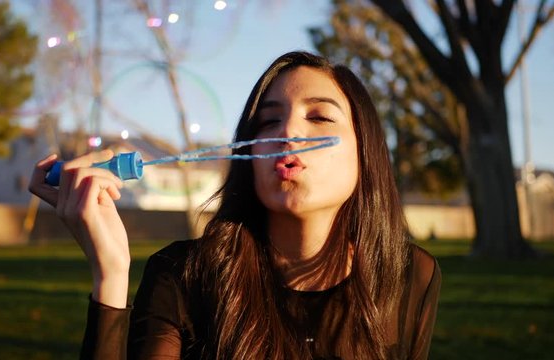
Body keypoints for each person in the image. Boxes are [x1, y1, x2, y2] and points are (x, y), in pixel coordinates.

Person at [29, 51, 441, 360]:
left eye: (319, 117)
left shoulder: (409, 277)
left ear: (365, 153)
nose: (288, 132)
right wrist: (112, 276)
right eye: (268, 121)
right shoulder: (183, 277)